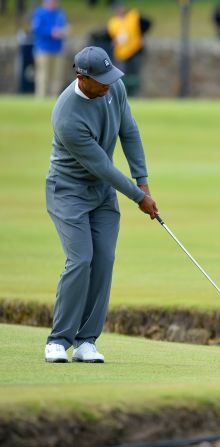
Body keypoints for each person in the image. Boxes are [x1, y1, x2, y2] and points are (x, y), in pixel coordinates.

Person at [44, 46, 158, 364]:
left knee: (104, 260)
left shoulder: (113, 86)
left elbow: (129, 131)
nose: (109, 83)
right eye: (102, 79)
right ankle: (57, 340)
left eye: (110, 76)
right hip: (68, 193)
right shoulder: (67, 116)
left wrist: (143, 182)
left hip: (102, 195)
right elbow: (103, 167)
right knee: (81, 260)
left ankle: (86, 341)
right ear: (82, 78)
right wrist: (139, 198)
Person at [107, 2, 151, 96]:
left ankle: (134, 94)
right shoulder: (113, 22)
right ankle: (124, 94)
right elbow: (111, 37)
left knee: (134, 75)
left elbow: (147, 24)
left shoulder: (133, 16)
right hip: (122, 53)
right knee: (123, 75)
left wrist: (141, 35)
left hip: (135, 50)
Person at [31, 0, 67, 99]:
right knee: (43, 75)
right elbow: (36, 29)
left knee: (57, 76)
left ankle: (54, 98)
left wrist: (63, 32)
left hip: (57, 49)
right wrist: (51, 32)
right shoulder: (40, 13)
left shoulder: (60, 13)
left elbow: (63, 27)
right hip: (43, 49)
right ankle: (41, 97)